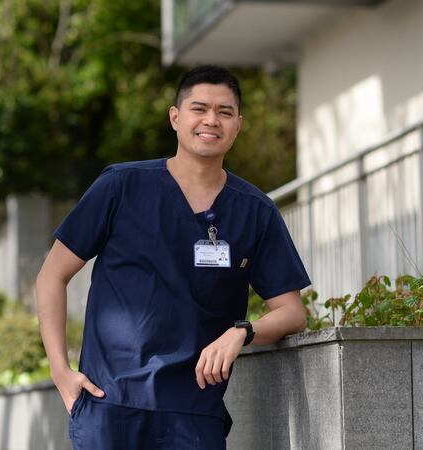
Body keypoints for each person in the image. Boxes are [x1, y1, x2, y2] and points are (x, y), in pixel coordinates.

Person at [35, 65, 311, 449]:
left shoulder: (255, 211)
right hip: (110, 404)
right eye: (199, 108)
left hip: (194, 413)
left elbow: (292, 312)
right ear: (175, 117)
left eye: (225, 112)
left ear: (238, 125)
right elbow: (51, 275)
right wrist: (59, 371)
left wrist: (241, 332)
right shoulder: (121, 186)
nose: (211, 120)